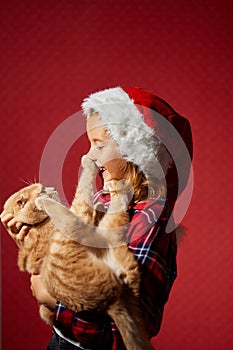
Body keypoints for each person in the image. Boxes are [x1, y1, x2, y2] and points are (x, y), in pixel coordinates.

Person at [1, 87, 193, 350]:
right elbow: (76, 264)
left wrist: (53, 300)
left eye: (100, 145)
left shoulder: (149, 223)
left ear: (136, 155)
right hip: (61, 340)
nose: (88, 156)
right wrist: (31, 235)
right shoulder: (104, 199)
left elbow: (124, 326)